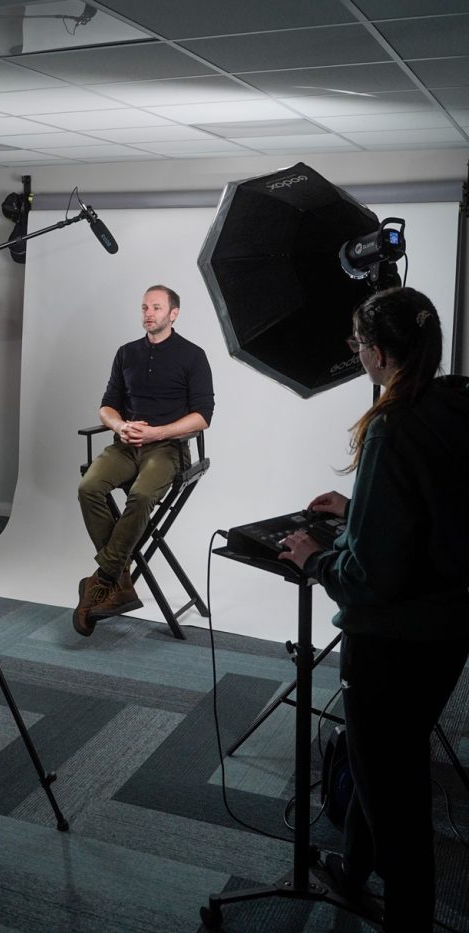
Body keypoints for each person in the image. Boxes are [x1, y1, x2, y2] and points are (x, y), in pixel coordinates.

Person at [278, 287, 469, 932]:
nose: (357, 355)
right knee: (381, 760)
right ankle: (353, 871)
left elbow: (371, 576)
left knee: (395, 796)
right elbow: (434, 520)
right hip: (448, 634)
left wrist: (312, 558)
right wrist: (358, 510)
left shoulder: (391, 424)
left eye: (359, 346)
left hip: (392, 644)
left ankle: (408, 916)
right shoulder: (455, 403)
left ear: (379, 354)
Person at [74, 284, 214, 636]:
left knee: (140, 496)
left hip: (168, 448)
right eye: (144, 308)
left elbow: (202, 416)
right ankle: (120, 579)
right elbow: (106, 405)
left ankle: (103, 577)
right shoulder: (126, 353)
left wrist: (158, 432)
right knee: (89, 486)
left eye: (156, 307)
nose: (148, 313)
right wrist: (121, 426)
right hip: (126, 445)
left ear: (173, 314)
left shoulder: (193, 355)